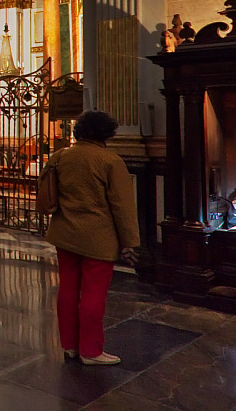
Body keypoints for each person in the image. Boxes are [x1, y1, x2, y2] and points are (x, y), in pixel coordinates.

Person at [40, 110, 140, 366]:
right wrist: (130, 242)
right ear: (107, 133)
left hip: (64, 233)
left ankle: (70, 346)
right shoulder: (109, 161)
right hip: (98, 237)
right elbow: (122, 206)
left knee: (68, 289)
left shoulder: (61, 156)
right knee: (93, 294)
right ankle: (91, 350)